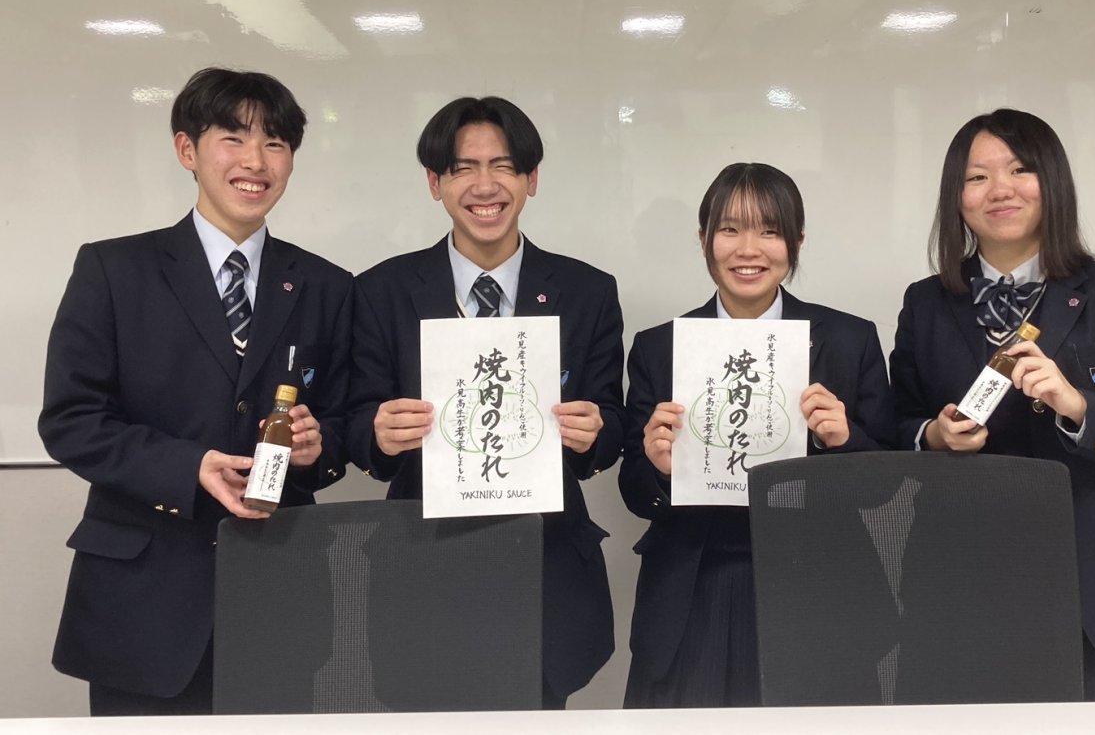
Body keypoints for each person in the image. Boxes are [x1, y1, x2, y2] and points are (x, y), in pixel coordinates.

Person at [38, 68, 353, 715]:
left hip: (279, 598)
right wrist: (189, 468)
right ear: (187, 149)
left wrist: (320, 445)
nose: (255, 161)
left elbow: (345, 423)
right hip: (143, 600)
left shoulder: (327, 286)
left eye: (275, 143)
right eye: (233, 138)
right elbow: (72, 420)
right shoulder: (114, 270)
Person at [890, 108, 1095, 700]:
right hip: (962, 585)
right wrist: (932, 435)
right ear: (956, 197)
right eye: (977, 177)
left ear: (1052, 182)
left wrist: (1079, 407)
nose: (999, 189)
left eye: (1020, 170)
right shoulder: (926, 302)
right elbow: (896, 421)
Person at [346, 96, 625, 708]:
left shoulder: (588, 291)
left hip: (547, 561)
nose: (484, 186)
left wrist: (596, 431)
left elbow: (612, 420)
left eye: (503, 166)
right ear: (434, 183)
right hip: (422, 561)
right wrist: (377, 433)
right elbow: (356, 418)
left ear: (531, 179)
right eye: (463, 168)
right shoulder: (381, 290)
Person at [619, 161, 897, 708]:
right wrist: (659, 467)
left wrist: (846, 443)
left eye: (770, 231)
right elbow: (634, 492)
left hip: (817, 586)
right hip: (694, 584)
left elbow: (884, 487)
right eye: (729, 229)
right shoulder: (659, 347)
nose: (749, 250)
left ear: (797, 241)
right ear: (704, 238)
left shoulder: (849, 339)